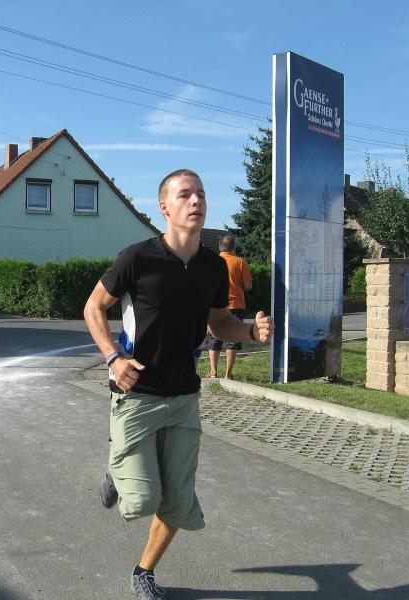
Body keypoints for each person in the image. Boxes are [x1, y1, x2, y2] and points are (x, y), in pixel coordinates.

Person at [83, 169, 272, 599]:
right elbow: (93, 307)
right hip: (137, 395)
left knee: (178, 501)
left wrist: (249, 332)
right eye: (185, 194)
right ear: (165, 208)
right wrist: (113, 359)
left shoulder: (213, 267)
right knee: (142, 500)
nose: (196, 201)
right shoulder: (137, 258)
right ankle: (116, 469)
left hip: (184, 397)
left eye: (201, 194)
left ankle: (144, 571)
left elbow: (219, 323)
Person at [206, 235, 252, 380]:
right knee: (232, 340)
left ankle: (213, 372)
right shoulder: (240, 262)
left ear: (220, 247)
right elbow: (248, 286)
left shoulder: (210, 262)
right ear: (234, 247)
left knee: (213, 338)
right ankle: (228, 374)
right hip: (235, 305)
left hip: (214, 306)